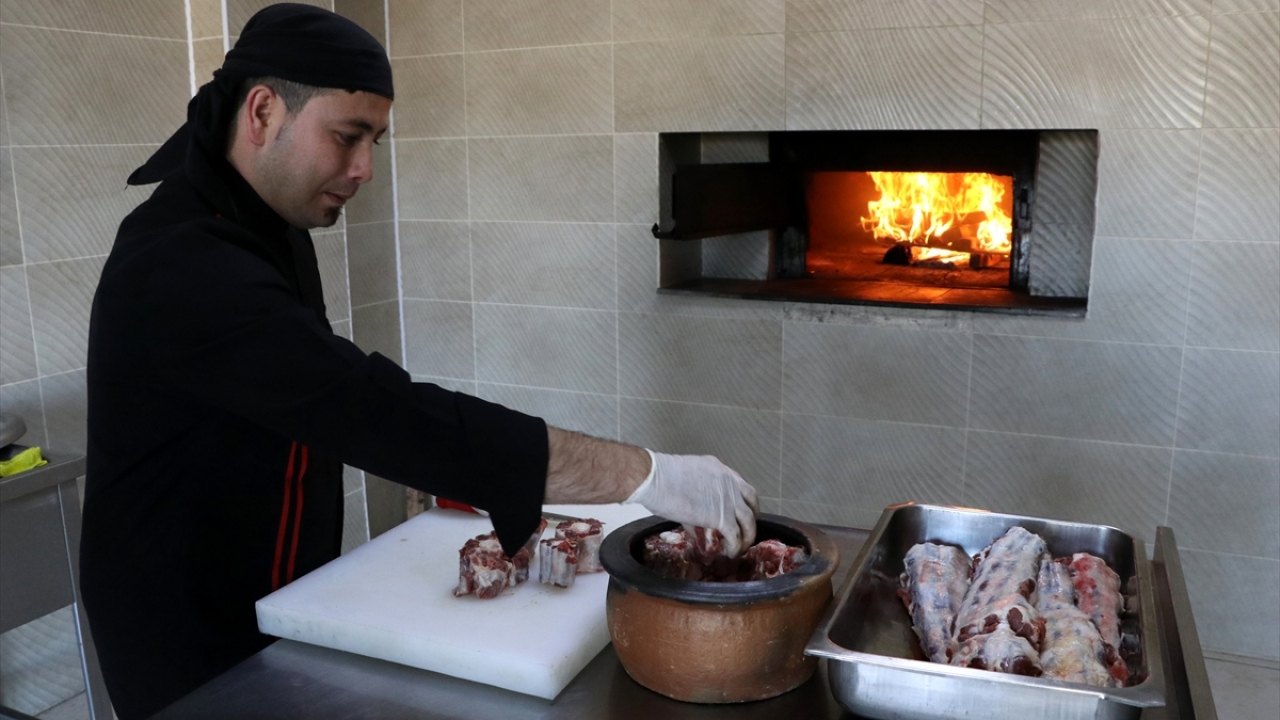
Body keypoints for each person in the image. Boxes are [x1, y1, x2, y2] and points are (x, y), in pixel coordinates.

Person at [80, 4, 757, 718]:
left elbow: (317, 409)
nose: (365, 169)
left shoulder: (268, 226)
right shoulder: (183, 262)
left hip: (283, 598)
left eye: (373, 141)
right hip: (186, 629)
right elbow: (368, 410)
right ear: (262, 112)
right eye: (348, 137)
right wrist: (644, 474)